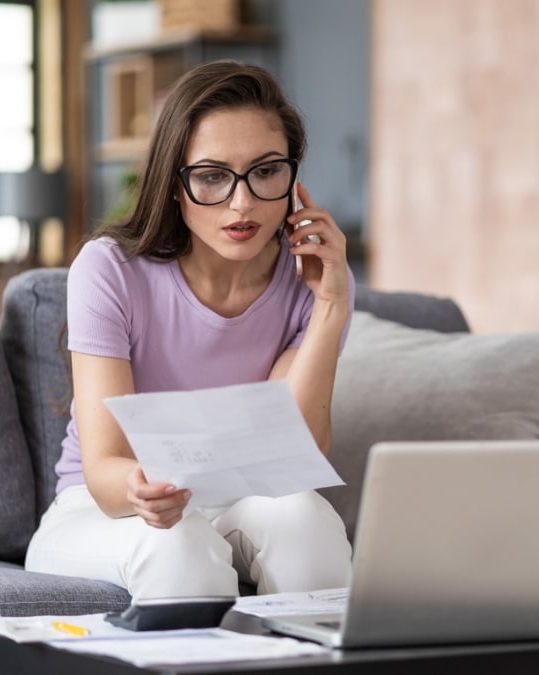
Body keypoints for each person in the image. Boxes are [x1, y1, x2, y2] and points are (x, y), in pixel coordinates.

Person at [24, 60, 354, 601]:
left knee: (307, 521)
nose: (242, 202)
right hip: (98, 508)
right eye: (211, 176)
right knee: (179, 545)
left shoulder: (317, 281)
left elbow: (298, 458)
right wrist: (139, 490)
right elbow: (105, 472)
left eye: (267, 170)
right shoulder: (109, 270)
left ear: (294, 178)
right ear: (174, 185)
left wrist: (331, 307)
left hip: (241, 499)